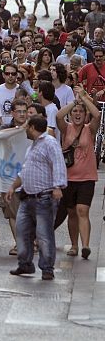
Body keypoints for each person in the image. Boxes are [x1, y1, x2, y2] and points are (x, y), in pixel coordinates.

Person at [6, 115, 66, 281]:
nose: (25, 129)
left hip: (44, 197)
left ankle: (47, 268)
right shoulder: (32, 146)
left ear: (32, 127)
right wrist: (13, 186)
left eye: (27, 126)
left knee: (44, 235)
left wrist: (58, 186)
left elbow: (58, 163)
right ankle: (25, 264)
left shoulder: (50, 143)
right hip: (28, 197)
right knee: (22, 231)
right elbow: (25, 171)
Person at [56, 87, 99, 260]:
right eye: (75, 111)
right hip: (68, 177)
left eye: (81, 111)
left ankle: (86, 245)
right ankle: (74, 245)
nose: (78, 113)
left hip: (87, 177)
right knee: (72, 212)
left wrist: (84, 98)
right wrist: (74, 101)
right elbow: (58, 116)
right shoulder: (66, 128)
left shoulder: (90, 129)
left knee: (82, 210)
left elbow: (97, 115)